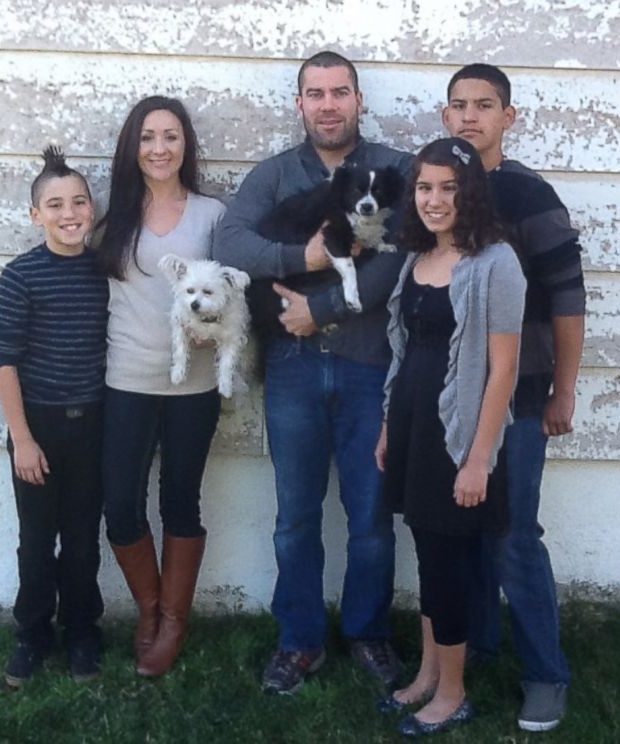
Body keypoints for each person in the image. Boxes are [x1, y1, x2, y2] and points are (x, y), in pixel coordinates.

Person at [214, 51, 412, 694]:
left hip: (367, 365)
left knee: (371, 516)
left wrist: (319, 306)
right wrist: (301, 253)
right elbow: (229, 246)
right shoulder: (275, 176)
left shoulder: (396, 170)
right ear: (299, 104)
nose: (329, 104)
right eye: (315, 93)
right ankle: (299, 642)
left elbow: (403, 253)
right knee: (294, 517)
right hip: (293, 369)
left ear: (359, 100)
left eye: (340, 92)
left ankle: (368, 632)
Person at [443, 63, 586, 732]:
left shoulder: (528, 195)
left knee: (513, 538)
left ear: (509, 116)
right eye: (460, 106)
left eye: (485, 105)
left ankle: (545, 675)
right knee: (465, 535)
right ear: (445, 118)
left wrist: (565, 388)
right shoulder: (439, 194)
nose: (471, 117)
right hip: (456, 400)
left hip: (523, 398)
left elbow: (567, 296)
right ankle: (477, 650)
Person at [374, 137, 525, 737]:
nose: (435, 200)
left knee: (447, 565)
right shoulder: (418, 258)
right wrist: (389, 424)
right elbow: (402, 350)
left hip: (459, 439)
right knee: (427, 552)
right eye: (425, 188)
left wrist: (478, 458)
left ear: (470, 193)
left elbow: (503, 371)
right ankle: (428, 674)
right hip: (413, 429)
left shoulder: (496, 264)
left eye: (448, 188)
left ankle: (454, 693)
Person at [96, 95, 227, 678]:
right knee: (121, 504)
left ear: (185, 145)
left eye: (170, 136)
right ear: (133, 147)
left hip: (192, 387)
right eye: (148, 137)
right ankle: (148, 611)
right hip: (125, 379)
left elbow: (230, 294)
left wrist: (215, 328)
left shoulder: (212, 216)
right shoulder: (109, 218)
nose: (159, 148)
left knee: (181, 500)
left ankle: (174, 621)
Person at [0, 146, 108, 687]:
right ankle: (32, 634)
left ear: (93, 209)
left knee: (83, 537)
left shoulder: (108, 272)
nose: (69, 214)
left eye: (78, 202)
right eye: (55, 204)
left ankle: (82, 631)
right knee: (37, 539)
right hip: (36, 427)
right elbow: (5, 361)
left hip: (94, 427)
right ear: (36, 215)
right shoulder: (21, 276)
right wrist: (23, 439)